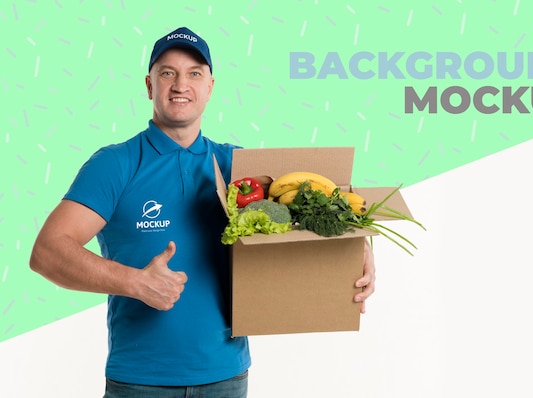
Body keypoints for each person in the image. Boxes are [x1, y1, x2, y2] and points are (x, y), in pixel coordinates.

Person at [29, 26, 376, 398]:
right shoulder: (115, 164)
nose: (181, 84)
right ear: (149, 85)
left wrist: (362, 251)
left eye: (194, 73)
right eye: (168, 73)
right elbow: (47, 252)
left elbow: (303, 219)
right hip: (140, 382)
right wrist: (135, 282)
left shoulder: (239, 167)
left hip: (226, 377)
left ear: (210, 87)